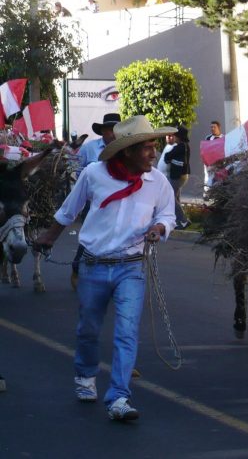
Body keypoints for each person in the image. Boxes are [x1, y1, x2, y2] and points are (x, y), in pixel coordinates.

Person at [35, 115, 176, 422]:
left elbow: (168, 214)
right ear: (127, 151)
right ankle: (85, 376)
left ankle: (119, 398)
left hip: (131, 268)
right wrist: (47, 238)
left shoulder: (158, 181)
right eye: (148, 148)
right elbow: (68, 211)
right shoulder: (94, 174)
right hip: (94, 266)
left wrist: (159, 228)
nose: (154, 153)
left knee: (126, 334)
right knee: (88, 330)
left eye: (155, 146)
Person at [72, 113, 121, 290]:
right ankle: (77, 266)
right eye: (109, 130)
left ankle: (115, 274)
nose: (113, 134)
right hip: (94, 202)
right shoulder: (89, 148)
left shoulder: (126, 150)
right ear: (102, 131)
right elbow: (77, 171)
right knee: (91, 235)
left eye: (116, 130)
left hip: (120, 201)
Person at [164, 125, 191, 229]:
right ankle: (178, 220)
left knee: (170, 197)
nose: (173, 137)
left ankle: (183, 220)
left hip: (177, 176)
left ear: (179, 136)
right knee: (176, 197)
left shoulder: (180, 146)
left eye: (175, 135)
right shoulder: (185, 146)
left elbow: (167, 156)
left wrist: (170, 159)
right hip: (182, 175)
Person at [203, 121, 223, 190]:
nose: (212, 128)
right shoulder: (208, 138)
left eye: (214, 127)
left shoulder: (224, 138)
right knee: (209, 178)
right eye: (211, 127)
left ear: (219, 128)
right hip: (210, 163)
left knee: (220, 178)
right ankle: (207, 194)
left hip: (221, 163)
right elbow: (204, 150)